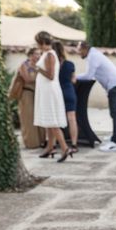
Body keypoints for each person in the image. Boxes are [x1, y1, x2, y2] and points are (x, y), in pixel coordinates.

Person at [76, 41, 116, 152]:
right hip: (115, 85)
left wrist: (74, 77)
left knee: (115, 113)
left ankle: (115, 142)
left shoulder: (92, 56)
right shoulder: (94, 54)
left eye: (79, 50)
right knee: (115, 113)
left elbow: (88, 76)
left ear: (85, 49)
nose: (78, 52)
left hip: (115, 85)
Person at [33, 31, 73, 162]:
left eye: (38, 43)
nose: (37, 45)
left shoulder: (50, 54)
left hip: (49, 91)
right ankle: (50, 148)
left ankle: (65, 148)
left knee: (53, 122)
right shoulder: (46, 54)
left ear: (43, 42)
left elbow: (50, 75)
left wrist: (37, 69)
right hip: (45, 91)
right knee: (48, 121)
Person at [52, 41, 79, 152]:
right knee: (72, 119)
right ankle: (74, 145)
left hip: (57, 93)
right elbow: (73, 80)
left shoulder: (52, 64)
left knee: (54, 120)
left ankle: (53, 145)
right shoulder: (70, 64)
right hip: (69, 92)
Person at [17, 47, 45, 149]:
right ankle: (31, 143)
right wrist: (41, 74)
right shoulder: (24, 65)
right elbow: (27, 79)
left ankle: (42, 141)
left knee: (40, 117)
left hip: (38, 94)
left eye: (39, 54)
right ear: (30, 55)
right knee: (28, 118)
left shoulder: (40, 65)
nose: (38, 56)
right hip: (27, 93)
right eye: (36, 54)